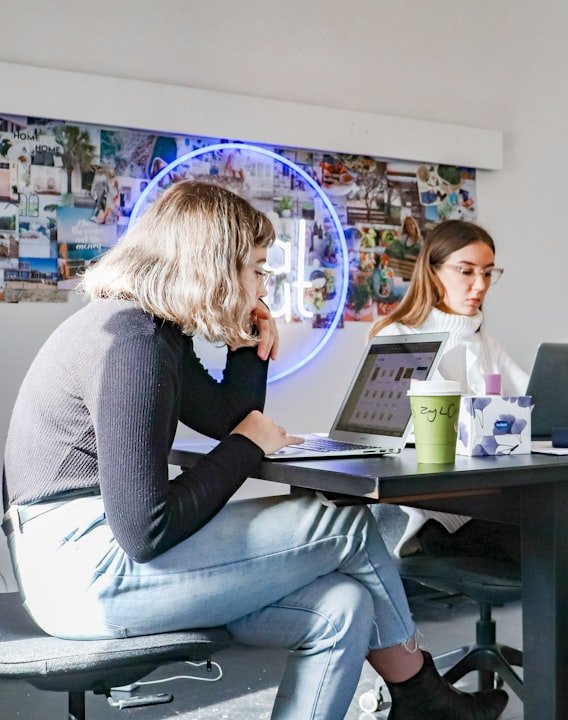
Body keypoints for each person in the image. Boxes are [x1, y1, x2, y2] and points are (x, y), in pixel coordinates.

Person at [1, 181, 508, 720]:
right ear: (216, 267)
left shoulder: (153, 331)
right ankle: (426, 699)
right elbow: (146, 529)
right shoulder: (134, 344)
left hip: (88, 561)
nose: (264, 283)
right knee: (350, 525)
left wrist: (248, 350)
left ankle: (419, 702)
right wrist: (248, 446)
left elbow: (225, 418)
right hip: (83, 573)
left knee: (344, 605)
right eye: (259, 269)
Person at [369, 220, 568, 720]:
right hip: (441, 520)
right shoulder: (398, 337)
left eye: (488, 273)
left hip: (499, 507)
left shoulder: (483, 340)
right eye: (466, 271)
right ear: (433, 272)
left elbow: (535, 403)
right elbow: (407, 442)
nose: (479, 285)